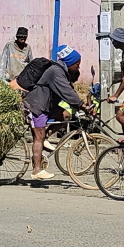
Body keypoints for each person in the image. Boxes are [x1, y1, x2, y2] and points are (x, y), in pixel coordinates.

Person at [23, 45, 83, 181]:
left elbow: (68, 90)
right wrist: (81, 105)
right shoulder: (56, 71)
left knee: (66, 115)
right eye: (77, 65)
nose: (78, 68)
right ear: (70, 62)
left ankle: (46, 138)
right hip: (35, 105)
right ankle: (37, 170)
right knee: (39, 136)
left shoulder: (61, 71)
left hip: (46, 105)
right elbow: (66, 92)